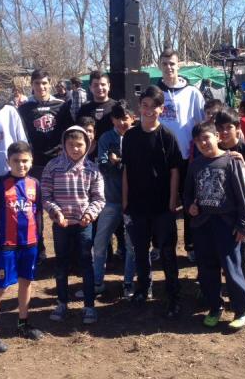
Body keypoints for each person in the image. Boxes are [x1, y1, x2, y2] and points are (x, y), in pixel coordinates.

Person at [184, 121, 245, 330]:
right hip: (203, 224)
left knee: (232, 268)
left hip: (227, 225)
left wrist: (243, 224)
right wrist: (190, 207)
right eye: (198, 140)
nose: (203, 143)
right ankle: (215, 307)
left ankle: (243, 309)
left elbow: (243, 195)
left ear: (217, 136)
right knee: (207, 269)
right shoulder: (195, 165)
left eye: (206, 137)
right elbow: (187, 194)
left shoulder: (231, 161)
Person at [0, 141, 43, 353]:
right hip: (7, 246)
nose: (21, 165)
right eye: (16, 161)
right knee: (0, 288)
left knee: (26, 282)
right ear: (8, 161)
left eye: (25, 161)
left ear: (31, 161)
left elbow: (38, 215)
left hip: (30, 244)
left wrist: (40, 243)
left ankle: (23, 323)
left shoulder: (35, 184)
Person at [123, 85, 183, 318]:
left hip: (162, 207)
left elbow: (175, 171)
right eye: (145, 106)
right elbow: (126, 170)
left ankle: (172, 295)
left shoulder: (167, 136)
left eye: (154, 107)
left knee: (167, 253)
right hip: (137, 206)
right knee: (140, 251)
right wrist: (125, 201)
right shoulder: (130, 136)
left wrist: (171, 203)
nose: (148, 111)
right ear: (140, 107)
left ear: (161, 109)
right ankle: (142, 289)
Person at [42, 126, 105, 325]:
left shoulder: (92, 169)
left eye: (80, 145)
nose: (75, 149)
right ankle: (62, 303)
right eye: (71, 145)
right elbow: (45, 195)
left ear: (87, 145)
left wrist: (89, 214)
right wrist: (55, 212)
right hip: (61, 224)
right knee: (61, 264)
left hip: (83, 224)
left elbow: (99, 198)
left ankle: (89, 306)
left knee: (86, 263)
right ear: (64, 145)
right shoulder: (52, 167)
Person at [19, 69, 73, 261]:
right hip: (35, 165)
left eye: (44, 83)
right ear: (31, 85)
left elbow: (69, 133)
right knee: (35, 209)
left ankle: (63, 251)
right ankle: (38, 248)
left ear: (50, 83)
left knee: (60, 206)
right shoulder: (24, 108)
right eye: (36, 84)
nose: (41, 87)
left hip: (58, 164)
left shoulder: (62, 105)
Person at [157, 48, 205, 262]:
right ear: (160, 65)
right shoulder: (153, 91)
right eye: (165, 63)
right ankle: (160, 245)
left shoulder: (193, 92)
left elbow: (201, 124)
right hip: (160, 159)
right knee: (161, 204)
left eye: (172, 64)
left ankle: (192, 245)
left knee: (188, 204)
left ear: (179, 66)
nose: (169, 67)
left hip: (187, 157)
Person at [93, 100, 136, 299]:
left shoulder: (137, 136)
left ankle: (128, 282)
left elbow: (137, 166)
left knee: (131, 245)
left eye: (125, 119)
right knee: (100, 242)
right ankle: (97, 282)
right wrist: (117, 163)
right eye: (118, 119)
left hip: (132, 202)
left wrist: (117, 160)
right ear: (112, 120)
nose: (122, 123)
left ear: (132, 118)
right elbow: (102, 164)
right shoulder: (106, 138)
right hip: (110, 199)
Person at [214, 107, 245, 281]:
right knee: (219, 249)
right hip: (219, 209)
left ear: (237, 128)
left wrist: (243, 163)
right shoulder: (214, 148)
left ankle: (241, 289)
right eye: (220, 128)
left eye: (228, 127)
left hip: (242, 209)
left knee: (243, 250)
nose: (224, 132)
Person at [77, 70, 117, 140]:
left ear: (109, 86)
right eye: (96, 85)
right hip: (90, 149)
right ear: (90, 87)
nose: (100, 88)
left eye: (103, 84)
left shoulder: (116, 106)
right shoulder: (84, 108)